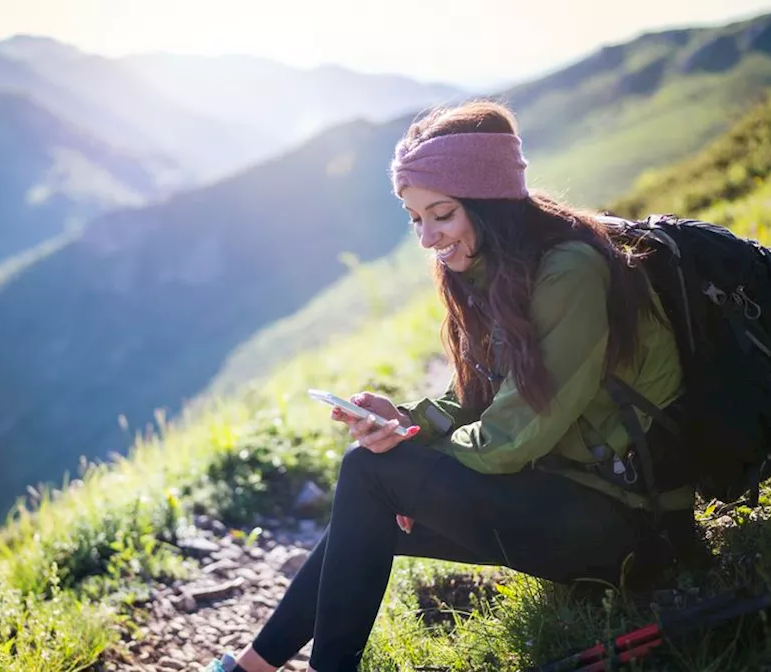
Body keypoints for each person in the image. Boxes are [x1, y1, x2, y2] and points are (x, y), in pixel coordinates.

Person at [206, 100, 701, 672]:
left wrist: (415, 461)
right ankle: (253, 667)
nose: (426, 238)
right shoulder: (492, 269)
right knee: (371, 497)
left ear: (488, 201)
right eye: (417, 219)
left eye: (440, 214)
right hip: (562, 497)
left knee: (373, 476)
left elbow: (515, 435)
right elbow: (473, 399)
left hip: (628, 526)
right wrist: (404, 423)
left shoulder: (570, 272)